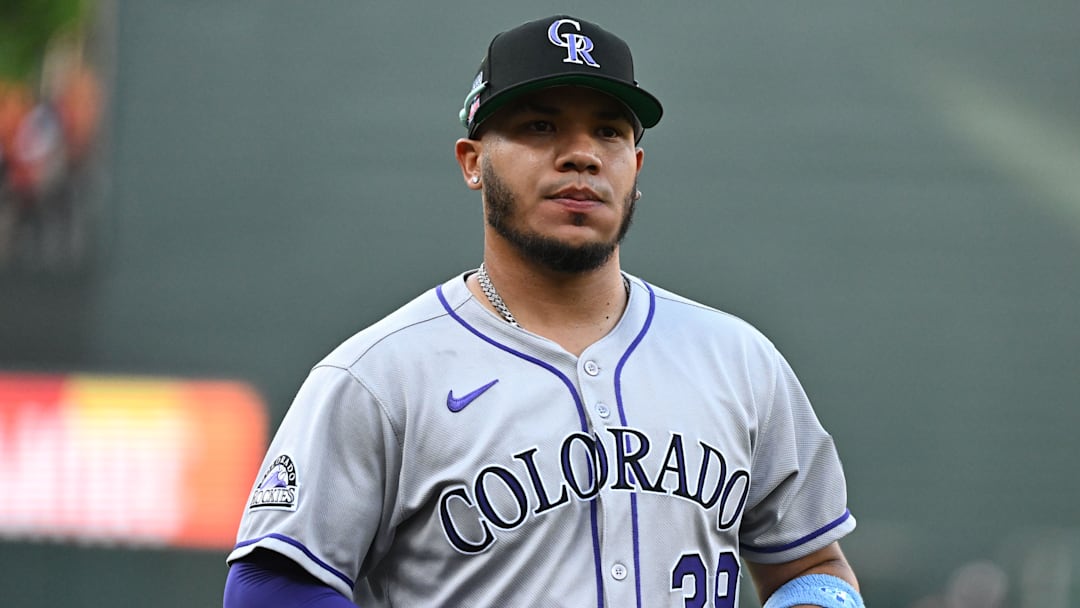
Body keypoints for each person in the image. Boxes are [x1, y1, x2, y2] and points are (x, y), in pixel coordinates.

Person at [224, 15, 863, 608]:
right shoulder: (380, 377)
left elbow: (812, 567)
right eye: (540, 126)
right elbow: (273, 584)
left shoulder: (740, 361)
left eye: (608, 131)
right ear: (473, 162)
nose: (581, 154)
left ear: (635, 168)